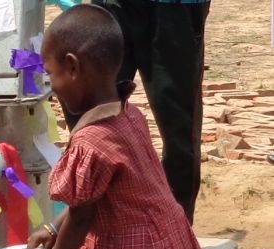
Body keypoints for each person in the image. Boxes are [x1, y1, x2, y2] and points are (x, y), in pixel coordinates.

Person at [18, 6, 228, 249]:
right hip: (163, 244)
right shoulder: (127, 114)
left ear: (73, 67)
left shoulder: (91, 141)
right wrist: (50, 228)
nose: (52, 87)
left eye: (51, 76)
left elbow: (82, 216)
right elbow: (93, 198)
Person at [62, 0, 210, 224]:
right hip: (113, 6)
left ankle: (175, 229)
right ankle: (94, 224)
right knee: (88, 114)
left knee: (179, 130)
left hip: (173, 9)